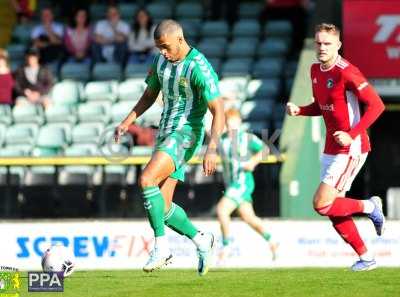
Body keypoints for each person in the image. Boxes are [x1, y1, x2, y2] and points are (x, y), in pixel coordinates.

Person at [115, 20, 225, 275]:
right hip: (165, 133)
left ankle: (161, 248)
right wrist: (126, 122)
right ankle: (201, 239)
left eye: (165, 47)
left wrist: (212, 149)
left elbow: (218, 110)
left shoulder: (198, 67)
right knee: (162, 209)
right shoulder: (160, 62)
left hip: (186, 133)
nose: (162, 52)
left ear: (180, 39)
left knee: (146, 180)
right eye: (158, 48)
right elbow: (149, 95)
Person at [286, 23, 385, 271]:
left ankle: (371, 206)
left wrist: (352, 135)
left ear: (338, 45)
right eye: (318, 43)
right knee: (332, 210)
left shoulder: (347, 72)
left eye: (327, 43)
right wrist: (300, 110)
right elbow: (323, 106)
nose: (322, 47)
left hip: (351, 149)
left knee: (321, 203)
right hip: (331, 149)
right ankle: (366, 257)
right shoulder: (314, 70)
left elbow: (377, 105)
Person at [217, 108, 277, 261]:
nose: (231, 128)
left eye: (234, 124)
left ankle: (226, 245)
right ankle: (272, 240)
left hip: (242, 182)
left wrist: (252, 161)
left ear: (240, 123)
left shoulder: (246, 138)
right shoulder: (221, 140)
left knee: (222, 210)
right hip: (231, 184)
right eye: (229, 124)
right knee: (248, 217)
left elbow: (265, 149)